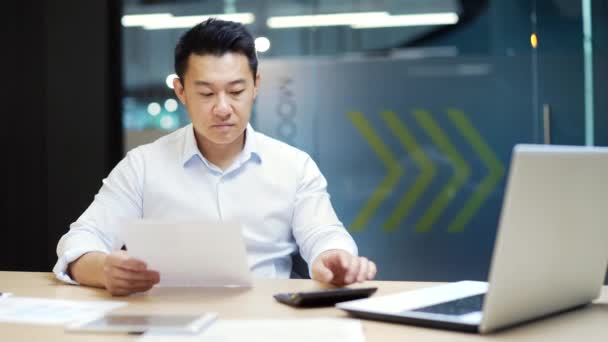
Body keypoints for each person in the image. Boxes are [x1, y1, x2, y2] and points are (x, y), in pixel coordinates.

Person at [54, 18, 377, 296]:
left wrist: (333, 258)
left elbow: (323, 234)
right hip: (167, 321)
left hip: (267, 323)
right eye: (206, 93)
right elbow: (82, 239)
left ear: (256, 85)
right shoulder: (142, 165)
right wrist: (103, 269)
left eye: (236, 91)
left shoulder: (293, 165)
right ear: (181, 92)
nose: (223, 108)